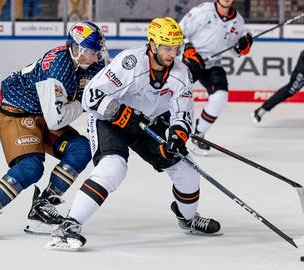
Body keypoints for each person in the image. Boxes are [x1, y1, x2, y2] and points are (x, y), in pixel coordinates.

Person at [45, 17, 222, 251]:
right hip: (109, 120)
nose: (172, 54)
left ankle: (187, 219)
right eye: (167, 48)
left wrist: (178, 135)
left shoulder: (181, 73)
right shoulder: (129, 63)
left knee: (186, 169)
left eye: (176, 48)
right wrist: (120, 113)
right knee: (113, 167)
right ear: (153, 45)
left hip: (147, 122)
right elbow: (91, 96)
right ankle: (69, 226)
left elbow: (183, 111)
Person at [0, 21, 107, 239]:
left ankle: (42, 207)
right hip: (18, 113)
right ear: (76, 49)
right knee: (31, 167)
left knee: (80, 149)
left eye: (98, 52)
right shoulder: (57, 68)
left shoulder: (90, 64)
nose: (96, 58)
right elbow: (56, 120)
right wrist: (86, 102)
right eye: (92, 53)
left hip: (45, 114)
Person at [179, 0, 253, 155]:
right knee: (176, 93)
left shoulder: (238, 21)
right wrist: (188, 48)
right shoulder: (203, 11)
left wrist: (242, 48)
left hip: (213, 63)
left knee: (220, 97)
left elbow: (235, 50)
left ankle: (198, 134)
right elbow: (180, 31)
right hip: (192, 59)